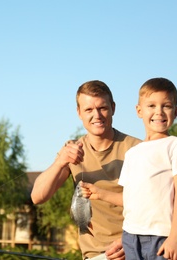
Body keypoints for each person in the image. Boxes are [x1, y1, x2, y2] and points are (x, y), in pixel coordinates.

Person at [81, 77, 177, 260]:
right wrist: (100, 193)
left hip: (164, 237)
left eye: (166, 106)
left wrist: (175, 236)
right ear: (139, 111)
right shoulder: (132, 153)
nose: (158, 112)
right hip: (131, 237)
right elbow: (133, 200)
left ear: (175, 111)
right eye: (151, 105)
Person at [31, 80, 141, 260]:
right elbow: (37, 197)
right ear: (79, 112)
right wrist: (60, 161)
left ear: (113, 108)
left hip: (134, 249)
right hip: (95, 255)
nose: (96, 115)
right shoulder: (72, 151)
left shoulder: (137, 149)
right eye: (89, 110)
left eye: (102, 108)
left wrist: (129, 241)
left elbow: (155, 205)